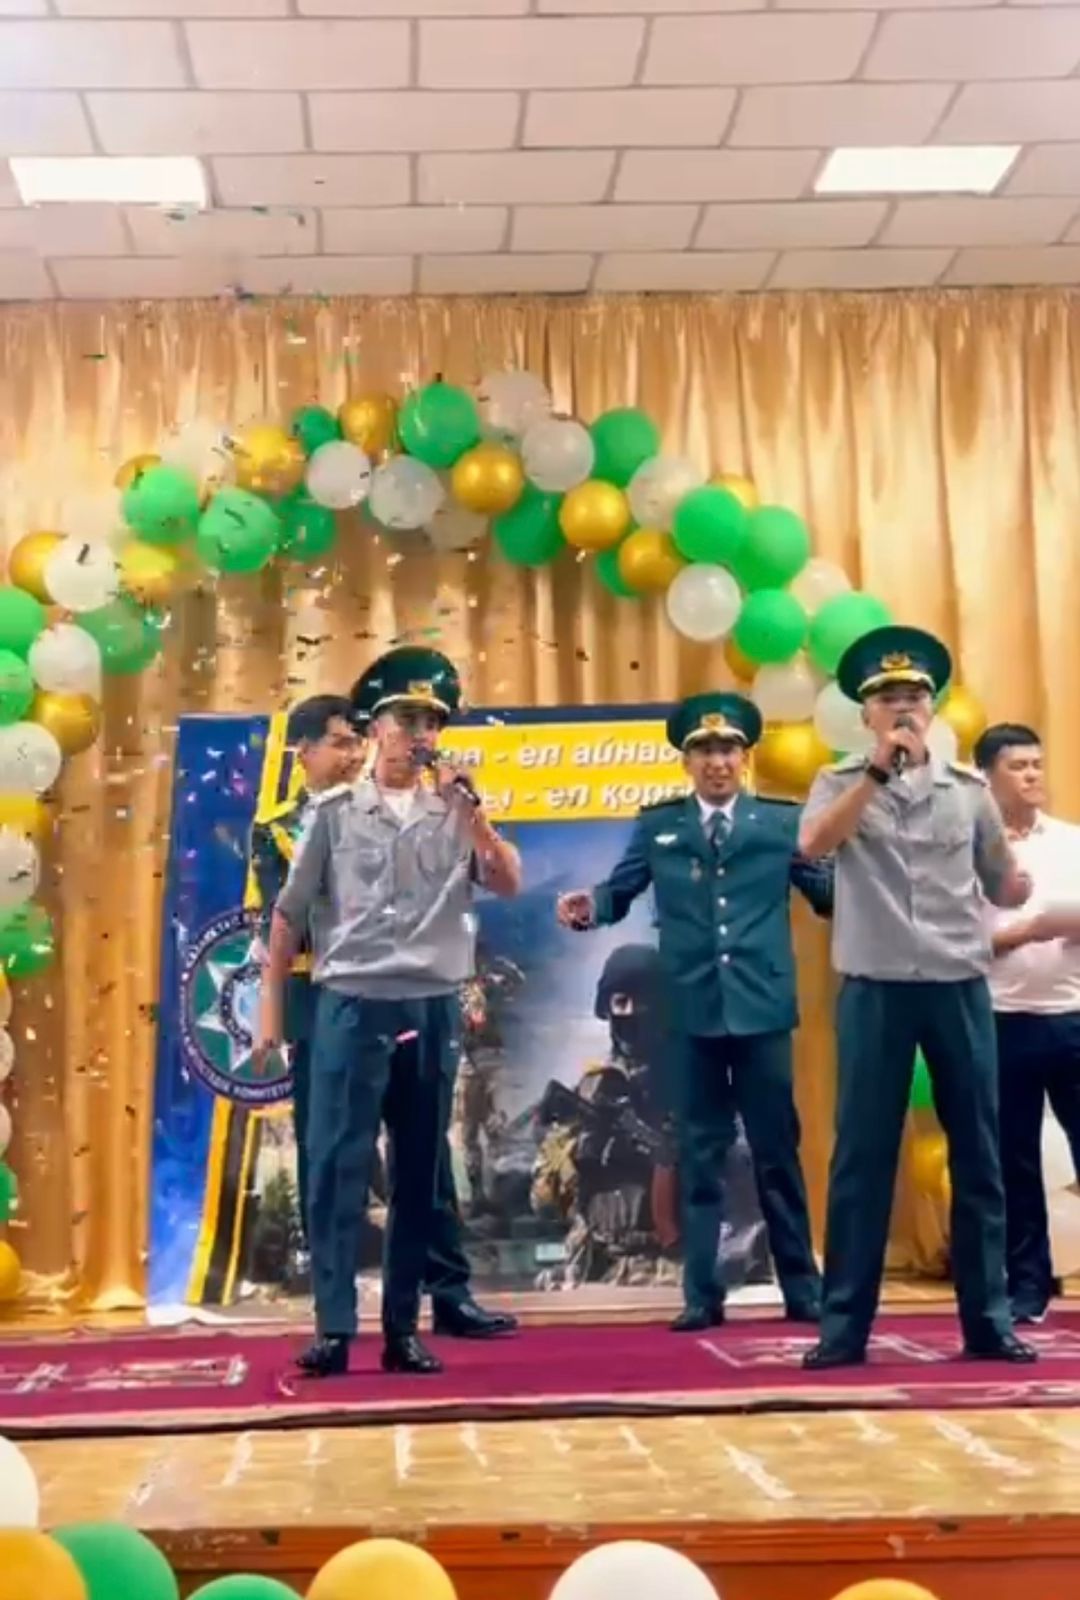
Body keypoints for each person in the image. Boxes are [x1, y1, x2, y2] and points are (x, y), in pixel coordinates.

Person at [257, 647, 522, 1378]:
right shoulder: (336, 815)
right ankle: (334, 1328)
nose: (419, 734)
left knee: (418, 1171)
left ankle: (404, 1328)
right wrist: (270, 1013)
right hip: (352, 1005)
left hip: (429, 1006)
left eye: (431, 722)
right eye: (405, 720)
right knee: (338, 1167)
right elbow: (288, 914)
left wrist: (475, 817)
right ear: (376, 728)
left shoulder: (454, 814)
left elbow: (506, 881)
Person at [798, 627, 1036, 1370]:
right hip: (875, 989)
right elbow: (813, 846)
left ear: (932, 710)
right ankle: (844, 1329)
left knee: (980, 1156)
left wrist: (1020, 884)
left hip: (958, 985)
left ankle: (988, 1322)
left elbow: (1000, 881)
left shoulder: (968, 792)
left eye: (914, 697)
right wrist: (874, 775)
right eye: (888, 699)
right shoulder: (839, 782)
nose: (902, 708)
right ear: (866, 715)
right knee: (861, 1159)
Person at [557, 692, 832, 1331]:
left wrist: (865, 883)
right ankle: (701, 1295)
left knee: (775, 1152)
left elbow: (826, 891)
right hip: (690, 1013)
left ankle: (802, 1287)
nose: (717, 761)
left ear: (745, 757)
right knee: (699, 1152)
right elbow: (619, 891)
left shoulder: (780, 823)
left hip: (761, 1010)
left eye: (728, 749)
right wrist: (589, 908)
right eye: (704, 750)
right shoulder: (660, 826)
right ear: (686, 762)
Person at [975, 721, 1080, 1324]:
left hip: (1072, 1016)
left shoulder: (1069, 841)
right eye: (1017, 766)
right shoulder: (971, 850)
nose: (1032, 775)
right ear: (986, 776)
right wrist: (1024, 932)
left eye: (1037, 764)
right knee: (1013, 1161)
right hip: (1000, 1020)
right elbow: (955, 943)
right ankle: (1027, 1287)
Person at [531, 943, 679, 1287]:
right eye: (620, 1002)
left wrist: (664, 1155)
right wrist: (561, 1149)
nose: (631, 1013)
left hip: (664, 1271)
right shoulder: (591, 1088)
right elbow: (544, 1204)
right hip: (590, 1267)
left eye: (643, 1002)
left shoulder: (690, 1085)